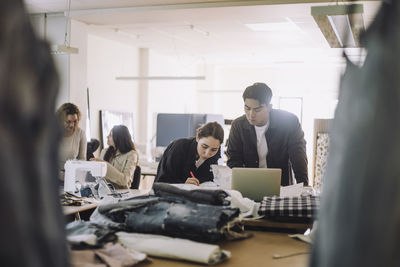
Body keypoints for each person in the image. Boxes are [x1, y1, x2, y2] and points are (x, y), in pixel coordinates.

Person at [226, 82, 308, 186]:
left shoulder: (289, 122)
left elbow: (298, 155)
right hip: (249, 184)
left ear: (269, 107)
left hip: (281, 185)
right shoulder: (238, 125)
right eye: (247, 108)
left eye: (257, 109)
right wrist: (241, 183)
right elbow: (233, 159)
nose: (251, 114)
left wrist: (304, 185)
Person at [155, 121, 224, 185]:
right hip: (168, 194)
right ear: (197, 138)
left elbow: (209, 179)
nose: (207, 153)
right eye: (204, 146)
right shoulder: (179, 147)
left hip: (196, 195)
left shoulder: (215, 153)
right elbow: (163, 180)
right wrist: (183, 184)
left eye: (213, 150)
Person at [91, 125, 138, 189]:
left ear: (118, 138)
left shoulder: (132, 155)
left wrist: (106, 166)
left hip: (121, 193)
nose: (107, 137)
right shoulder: (104, 152)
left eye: (110, 135)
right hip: (104, 192)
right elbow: (99, 178)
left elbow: (124, 180)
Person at [56, 102, 87, 170]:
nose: (72, 125)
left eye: (75, 121)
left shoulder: (81, 134)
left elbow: (82, 160)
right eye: (68, 121)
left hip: (71, 173)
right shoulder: (53, 133)